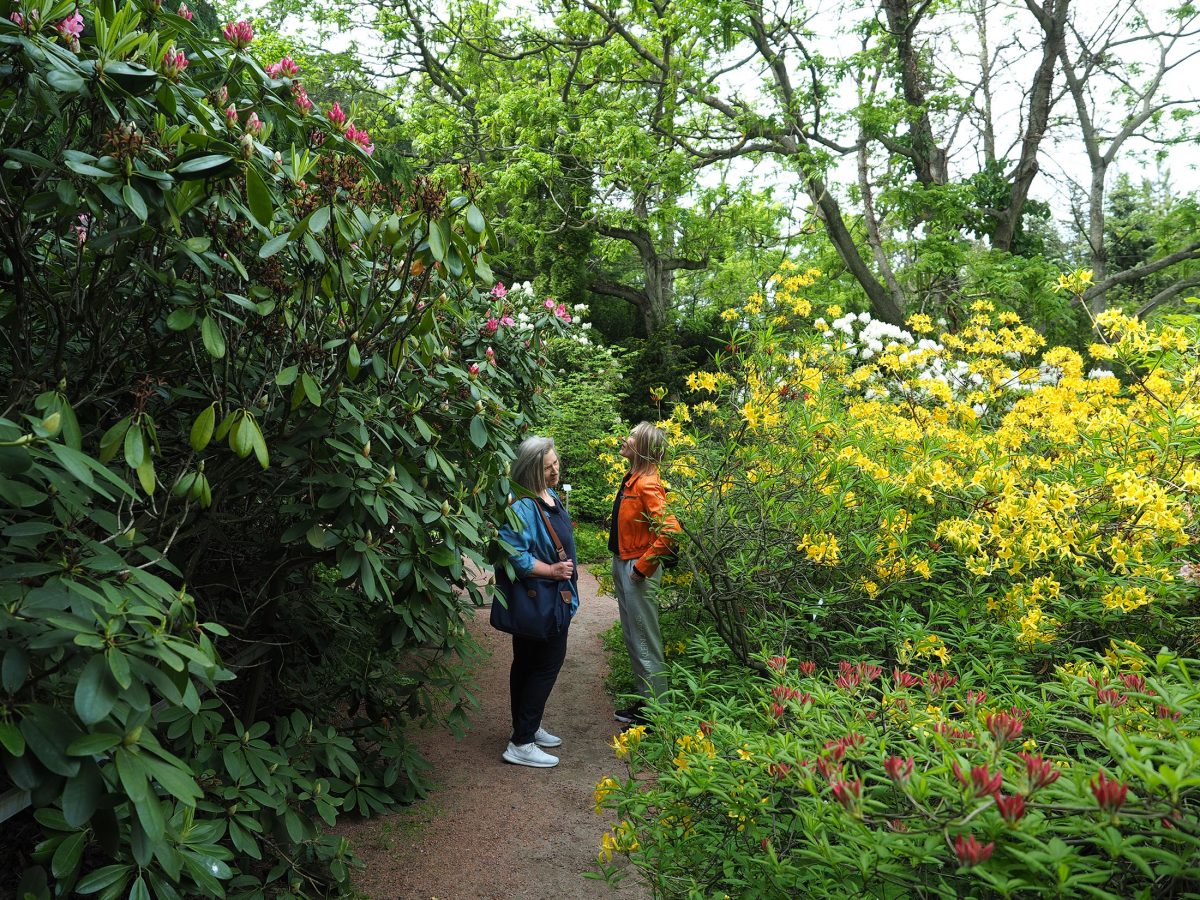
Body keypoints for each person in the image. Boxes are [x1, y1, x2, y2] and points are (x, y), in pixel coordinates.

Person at [497, 436, 578, 768]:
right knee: (545, 666)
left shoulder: (548, 495)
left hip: (548, 599)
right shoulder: (523, 506)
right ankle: (522, 743)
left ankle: (525, 727)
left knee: (527, 665)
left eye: (556, 463)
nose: (555, 469)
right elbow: (511, 553)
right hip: (542, 601)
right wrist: (552, 570)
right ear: (532, 471)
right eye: (548, 467)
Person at [609, 422, 680, 726]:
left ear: (643, 448)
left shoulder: (647, 483)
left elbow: (670, 531)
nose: (626, 439)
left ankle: (656, 716)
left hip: (637, 567)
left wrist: (642, 567)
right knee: (633, 637)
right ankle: (647, 704)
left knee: (644, 640)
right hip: (626, 562)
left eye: (633, 437)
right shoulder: (633, 479)